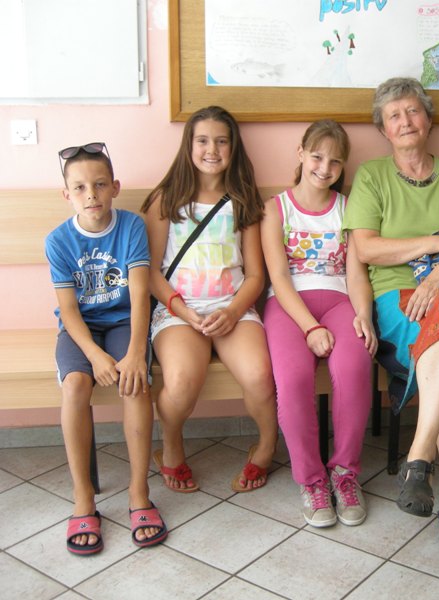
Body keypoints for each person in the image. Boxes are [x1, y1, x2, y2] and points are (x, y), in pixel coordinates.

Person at [343, 77, 439, 564]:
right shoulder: (372, 177)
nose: (405, 121)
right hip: (396, 301)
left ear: (428, 119)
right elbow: (367, 249)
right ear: (383, 129)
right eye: (394, 115)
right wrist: (435, 243)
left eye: (412, 111)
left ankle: (420, 458)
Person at [142, 106, 277, 494]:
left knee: (260, 375)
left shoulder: (243, 201)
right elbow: (151, 272)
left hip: (233, 307)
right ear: (189, 146)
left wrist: (233, 311)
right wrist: (183, 311)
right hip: (178, 312)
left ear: (234, 148)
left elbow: (256, 276)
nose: (212, 150)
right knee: (181, 380)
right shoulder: (166, 200)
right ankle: (171, 446)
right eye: (202, 141)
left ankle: (266, 447)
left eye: (221, 141)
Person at [46, 142, 167, 555]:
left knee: (135, 382)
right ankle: (83, 499)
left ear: (115, 187)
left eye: (99, 184)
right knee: (76, 386)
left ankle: (139, 493)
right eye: (80, 188)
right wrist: (95, 356)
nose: (91, 195)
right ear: (67, 194)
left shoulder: (131, 227)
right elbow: (68, 311)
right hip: (81, 330)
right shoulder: (58, 240)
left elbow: (139, 297)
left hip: (123, 322)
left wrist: (133, 354)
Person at [262, 119, 377, 528]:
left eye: (335, 161)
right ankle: (311, 481)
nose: (324, 168)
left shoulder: (348, 208)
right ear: (300, 153)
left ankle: (345, 473)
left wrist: (364, 315)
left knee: (355, 364)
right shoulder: (275, 209)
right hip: (289, 307)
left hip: (340, 301)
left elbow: (356, 273)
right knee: (292, 377)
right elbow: (278, 277)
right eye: (316, 157)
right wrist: (311, 327)